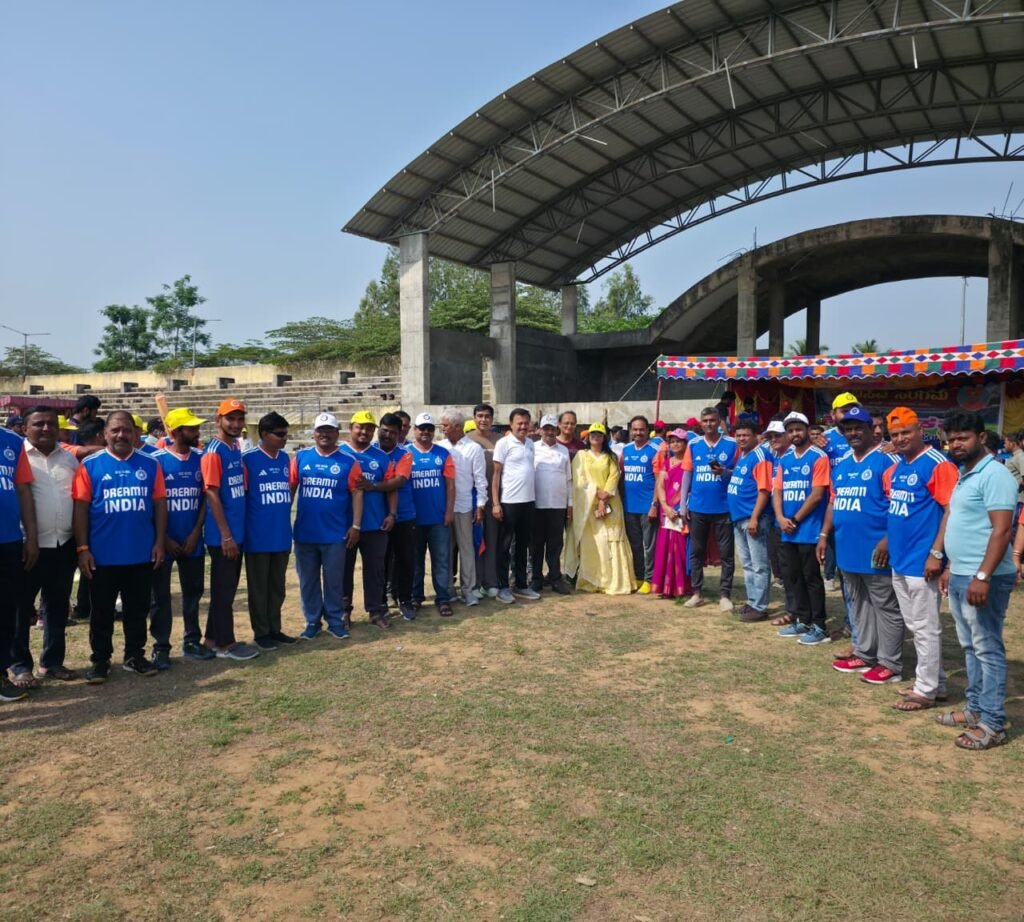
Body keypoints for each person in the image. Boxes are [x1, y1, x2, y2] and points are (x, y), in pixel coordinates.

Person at [72, 411, 166, 682]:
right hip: (102, 556)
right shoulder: (90, 465)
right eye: (115, 430)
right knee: (101, 612)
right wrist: (83, 549)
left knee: (137, 610)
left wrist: (159, 542)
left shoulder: (150, 464)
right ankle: (100, 660)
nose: (121, 435)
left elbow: (160, 505)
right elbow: (80, 509)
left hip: (140, 553)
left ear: (136, 433)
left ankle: (134, 655)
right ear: (105, 434)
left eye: (126, 430)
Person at [941, 411, 1016, 749]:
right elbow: (961, 522)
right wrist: (949, 565)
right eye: (951, 439)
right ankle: (975, 709)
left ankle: (993, 723)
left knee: (987, 648)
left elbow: (1002, 530)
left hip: (986, 577)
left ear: (981, 437)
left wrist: (982, 576)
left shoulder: (995, 474)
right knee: (970, 646)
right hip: (961, 573)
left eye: (963, 437)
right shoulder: (965, 473)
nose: (956, 444)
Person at [817, 407, 903, 683]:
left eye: (858, 428)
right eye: (848, 429)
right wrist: (823, 535)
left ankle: (890, 663)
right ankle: (866, 654)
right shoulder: (842, 464)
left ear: (871, 430)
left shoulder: (887, 460)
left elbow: (899, 504)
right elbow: (833, 502)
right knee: (859, 604)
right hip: (847, 550)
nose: (853, 433)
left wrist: (888, 539)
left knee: (885, 606)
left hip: (877, 551)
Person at [883, 407, 957, 712]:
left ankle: (925, 690)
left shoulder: (937, 464)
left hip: (922, 560)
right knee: (915, 626)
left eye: (906, 432)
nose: (900, 439)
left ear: (920, 432)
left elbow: (952, 510)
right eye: (895, 434)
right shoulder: (900, 465)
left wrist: (937, 554)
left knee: (926, 627)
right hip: (900, 559)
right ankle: (935, 683)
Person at [290, 413, 362, 640]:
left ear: (337, 433)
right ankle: (312, 621)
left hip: (335, 534)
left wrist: (356, 525)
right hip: (305, 533)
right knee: (308, 581)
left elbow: (357, 493)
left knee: (334, 581)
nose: (324, 435)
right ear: (314, 433)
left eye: (329, 430)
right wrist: (283, 519)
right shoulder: (301, 457)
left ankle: (335, 620)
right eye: (321, 430)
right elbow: (291, 488)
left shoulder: (348, 461)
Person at [200, 398, 259, 661]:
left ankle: (211, 639)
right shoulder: (214, 452)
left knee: (227, 589)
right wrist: (226, 535)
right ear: (218, 420)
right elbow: (212, 493)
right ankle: (226, 643)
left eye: (239, 419)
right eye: (230, 419)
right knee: (223, 591)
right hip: (223, 536)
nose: (235, 424)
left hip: (236, 532)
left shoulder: (234, 447)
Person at [150, 408, 210, 667]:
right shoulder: (156, 461)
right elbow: (150, 503)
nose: (196, 432)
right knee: (160, 596)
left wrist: (196, 532)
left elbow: (206, 498)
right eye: (191, 428)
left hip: (192, 539)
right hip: (163, 542)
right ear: (175, 432)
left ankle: (192, 640)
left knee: (193, 592)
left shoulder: (201, 458)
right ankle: (161, 646)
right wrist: (163, 538)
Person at [773, 412, 832, 645]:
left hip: (808, 529)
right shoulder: (785, 458)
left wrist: (795, 519)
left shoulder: (818, 457)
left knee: (811, 578)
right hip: (787, 529)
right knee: (794, 576)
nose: (794, 434)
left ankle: (819, 625)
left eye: (798, 429)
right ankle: (803, 620)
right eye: (790, 430)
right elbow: (778, 491)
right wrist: (780, 517)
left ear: (807, 430)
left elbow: (817, 495)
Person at [242, 412, 297, 650]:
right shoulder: (248, 459)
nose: (285, 438)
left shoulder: (284, 458)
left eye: (286, 434)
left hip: (281, 535)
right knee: (259, 589)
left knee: (277, 587)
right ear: (264, 434)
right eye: (280, 434)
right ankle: (261, 632)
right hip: (258, 537)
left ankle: (275, 628)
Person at [343, 410, 396, 630]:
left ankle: (375, 611)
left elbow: (392, 487)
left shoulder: (381, 457)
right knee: (343, 570)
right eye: (360, 427)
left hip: (375, 523)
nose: (364, 432)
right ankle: (344, 612)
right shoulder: (340, 453)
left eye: (368, 428)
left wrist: (392, 514)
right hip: (345, 525)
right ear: (351, 428)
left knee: (375, 571)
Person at [2, 413, 42, 696]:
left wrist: (31, 537)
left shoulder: (13, 443)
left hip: (9, 541)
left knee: (6, 611)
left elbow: (23, 490)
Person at [683, 406, 737, 610]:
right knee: (696, 552)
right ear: (700, 422)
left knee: (726, 554)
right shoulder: (694, 444)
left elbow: (740, 472)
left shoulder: (732, 444)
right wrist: (683, 505)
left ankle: (725, 595)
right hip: (698, 508)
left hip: (724, 508)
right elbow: (687, 474)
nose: (709, 424)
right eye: (705, 421)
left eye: (712, 420)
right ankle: (697, 593)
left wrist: (725, 472)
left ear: (719, 421)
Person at [570, 424, 634, 594]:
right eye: (593, 434)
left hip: (611, 502)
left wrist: (604, 498)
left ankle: (614, 581)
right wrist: (598, 495)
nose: (595, 437)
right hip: (589, 505)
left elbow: (614, 476)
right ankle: (593, 580)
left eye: (599, 434)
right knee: (593, 541)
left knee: (613, 538)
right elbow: (580, 480)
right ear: (588, 436)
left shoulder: (611, 456)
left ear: (605, 437)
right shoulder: (581, 456)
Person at [437, 408, 487, 605]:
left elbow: (480, 479)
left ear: (457, 427)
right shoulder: (440, 447)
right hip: (442, 507)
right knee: (445, 550)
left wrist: (480, 505)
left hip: (464, 506)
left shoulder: (473, 448)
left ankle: (469, 590)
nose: (442, 428)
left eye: (445, 425)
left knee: (466, 549)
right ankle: (448, 589)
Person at [408, 413, 456, 616]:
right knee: (415, 561)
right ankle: (416, 597)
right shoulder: (405, 454)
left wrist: (449, 511)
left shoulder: (443, 454)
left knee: (441, 560)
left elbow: (450, 485)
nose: (425, 432)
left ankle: (443, 598)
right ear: (414, 430)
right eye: (422, 428)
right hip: (413, 519)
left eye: (429, 428)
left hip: (438, 519)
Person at [727, 420, 775, 622]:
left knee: (759, 564)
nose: (741, 438)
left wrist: (755, 517)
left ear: (756, 436)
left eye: (746, 435)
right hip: (739, 518)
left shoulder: (760, 456)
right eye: (738, 435)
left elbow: (764, 490)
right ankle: (753, 600)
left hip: (753, 518)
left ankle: (760, 607)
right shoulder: (743, 455)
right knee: (747, 564)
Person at [492, 408, 538, 603]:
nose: (523, 426)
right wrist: (496, 503)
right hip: (509, 502)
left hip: (528, 502)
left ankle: (520, 584)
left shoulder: (530, 444)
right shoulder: (503, 444)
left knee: (522, 546)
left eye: (526, 423)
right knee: (504, 546)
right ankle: (502, 587)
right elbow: (496, 476)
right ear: (511, 424)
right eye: (519, 423)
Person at [376, 412, 416, 620]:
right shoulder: (371, 452)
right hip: (376, 515)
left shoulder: (405, 454)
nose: (388, 435)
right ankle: (380, 602)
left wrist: (371, 486)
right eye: (384, 431)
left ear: (399, 434)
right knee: (380, 561)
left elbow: (399, 481)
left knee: (405, 560)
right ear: (379, 430)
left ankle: (405, 600)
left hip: (404, 515)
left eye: (393, 432)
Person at [531, 415, 572, 594]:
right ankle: (536, 578)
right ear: (540, 430)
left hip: (558, 505)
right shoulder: (531, 448)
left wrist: (570, 504)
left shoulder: (563, 451)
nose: (549, 432)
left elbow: (569, 479)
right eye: (546, 428)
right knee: (536, 544)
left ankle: (555, 578)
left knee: (555, 544)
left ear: (557, 430)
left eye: (552, 429)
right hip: (537, 505)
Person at [620, 415, 660, 593]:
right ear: (630, 430)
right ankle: (638, 576)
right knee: (634, 544)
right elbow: (621, 476)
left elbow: (659, 481)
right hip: (629, 507)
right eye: (635, 429)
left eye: (641, 429)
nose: (638, 432)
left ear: (647, 430)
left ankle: (650, 579)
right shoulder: (626, 450)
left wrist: (654, 504)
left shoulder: (655, 450)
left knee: (649, 546)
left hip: (647, 507)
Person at [650, 428, 691, 598]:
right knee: (664, 547)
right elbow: (660, 486)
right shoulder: (666, 463)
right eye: (672, 441)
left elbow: (689, 489)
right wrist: (665, 506)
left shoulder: (689, 464)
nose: (675, 444)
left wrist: (680, 508)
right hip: (665, 512)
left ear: (685, 444)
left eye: (678, 441)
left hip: (681, 512)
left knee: (680, 549)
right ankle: (666, 587)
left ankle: (681, 587)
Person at [467, 403, 500, 597]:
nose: (483, 420)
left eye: (487, 416)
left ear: (492, 419)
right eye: (479, 416)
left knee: (492, 542)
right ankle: (476, 583)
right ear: (474, 418)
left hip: (495, 499)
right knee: (475, 542)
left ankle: (491, 581)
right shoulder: (467, 440)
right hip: (473, 500)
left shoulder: (500, 440)